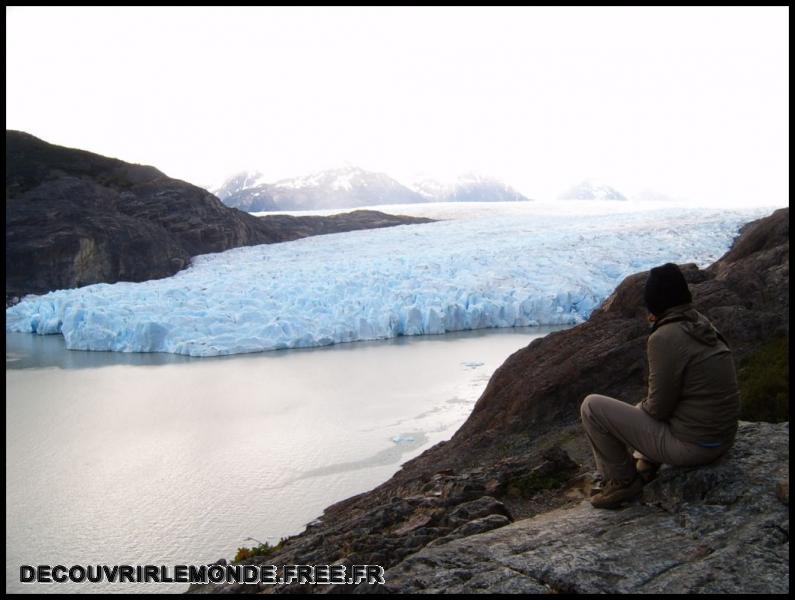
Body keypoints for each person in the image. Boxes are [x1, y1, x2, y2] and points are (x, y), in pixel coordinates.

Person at [580, 262, 740, 509]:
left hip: (693, 447)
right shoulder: (700, 323)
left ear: (655, 302)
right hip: (721, 438)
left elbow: (658, 409)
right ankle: (645, 463)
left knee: (592, 407)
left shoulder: (664, 337)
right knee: (636, 411)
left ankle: (622, 483)